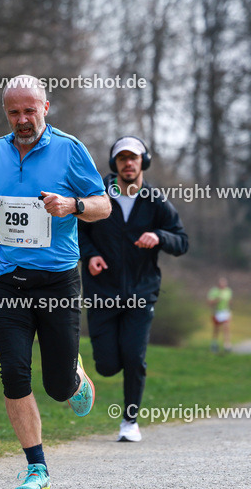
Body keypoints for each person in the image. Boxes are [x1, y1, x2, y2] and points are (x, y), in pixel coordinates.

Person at [0, 75, 110, 489]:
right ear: (6, 113)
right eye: (13, 112)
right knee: (14, 372)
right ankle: (37, 469)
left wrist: (73, 205)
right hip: (10, 280)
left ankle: (74, 377)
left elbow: (103, 205)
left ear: (46, 107)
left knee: (56, 387)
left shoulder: (70, 149)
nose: (22, 119)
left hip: (58, 281)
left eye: (29, 110)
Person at [78, 136, 188, 443]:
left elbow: (182, 241)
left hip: (142, 293)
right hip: (102, 292)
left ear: (143, 162)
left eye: (134, 158)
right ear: (115, 164)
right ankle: (83, 369)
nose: (128, 163)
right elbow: (75, 231)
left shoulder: (155, 201)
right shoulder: (97, 195)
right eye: (123, 158)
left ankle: (129, 421)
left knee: (134, 357)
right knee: (108, 365)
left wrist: (159, 237)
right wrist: (90, 255)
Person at [207, 277, 232, 353]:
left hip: (225, 311)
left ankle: (227, 344)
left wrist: (230, 311)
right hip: (217, 312)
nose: (223, 286)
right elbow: (210, 302)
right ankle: (214, 343)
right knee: (216, 329)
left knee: (226, 327)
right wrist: (217, 300)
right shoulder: (214, 291)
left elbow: (230, 301)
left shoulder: (228, 291)